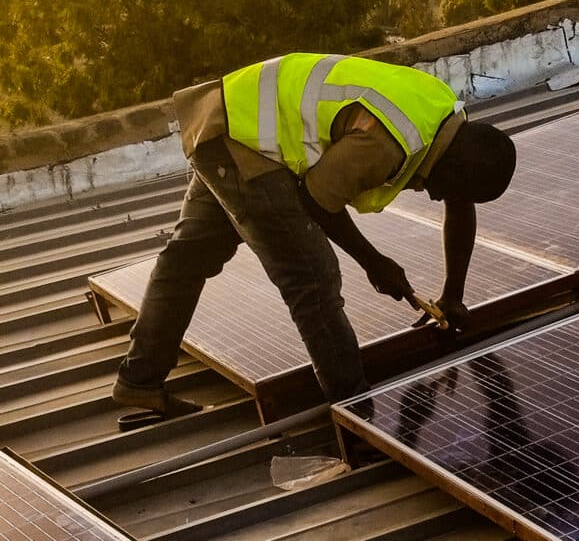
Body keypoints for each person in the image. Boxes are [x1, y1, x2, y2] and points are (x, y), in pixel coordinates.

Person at [112, 52, 517, 418]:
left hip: (229, 118)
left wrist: (453, 294)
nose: (438, 196)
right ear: (457, 169)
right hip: (248, 142)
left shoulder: (444, 114)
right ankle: (355, 413)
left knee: (187, 259)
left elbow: (460, 203)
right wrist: (375, 263)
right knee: (314, 276)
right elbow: (317, 201)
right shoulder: (389, 140)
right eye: (447, 190)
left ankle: (140, 380)